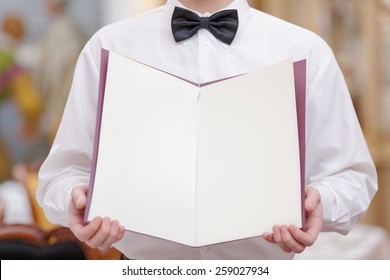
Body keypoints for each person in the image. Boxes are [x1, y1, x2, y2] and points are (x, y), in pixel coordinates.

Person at [37, 0, 378, 259]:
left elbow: (354, 178)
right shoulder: (107, 47)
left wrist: (321, 203)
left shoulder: (305, 50)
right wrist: (77, 199)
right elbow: (60, 175)